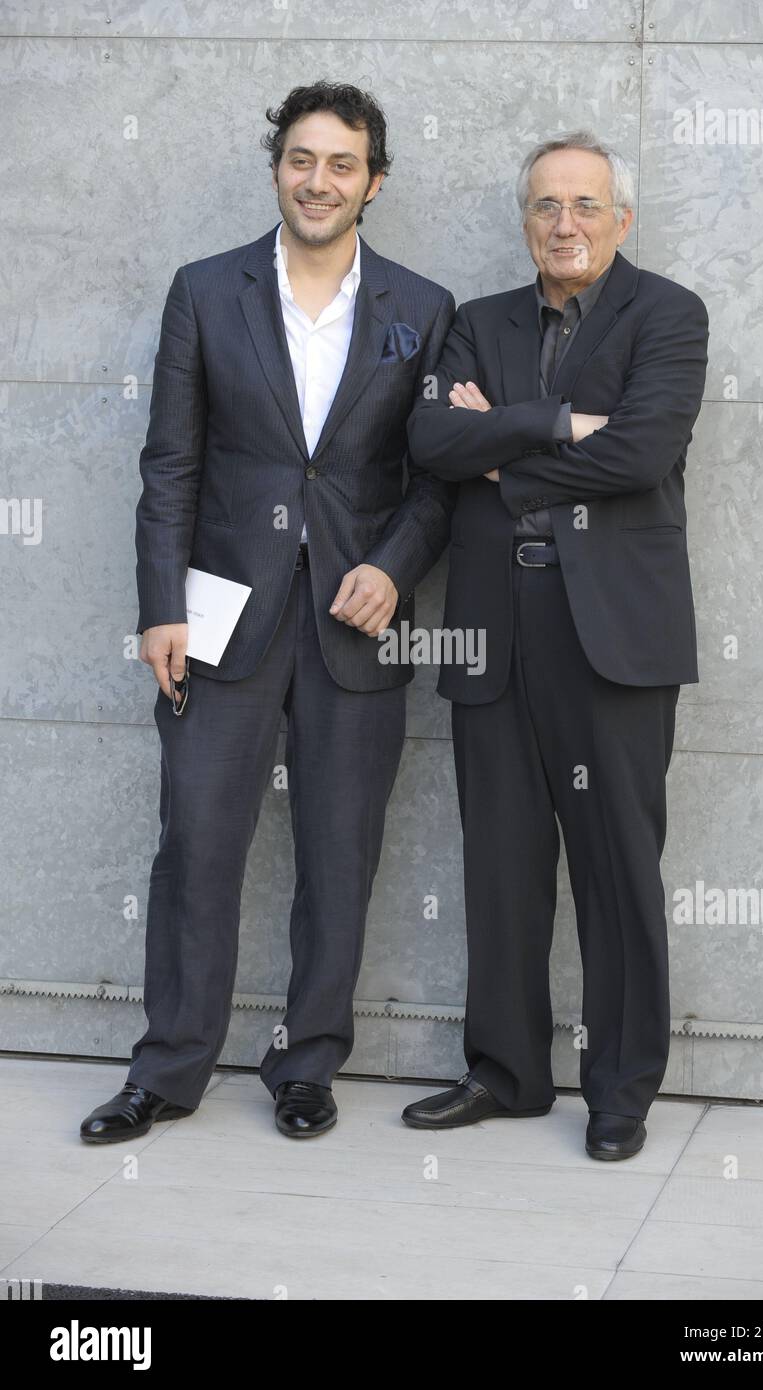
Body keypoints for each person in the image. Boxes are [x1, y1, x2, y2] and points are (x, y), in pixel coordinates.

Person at [80, 81, 455, 1144]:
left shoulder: (423, 310)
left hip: (354, 618)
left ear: (373, 181)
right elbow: (171, 463)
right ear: (276, 166)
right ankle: (168, 1068)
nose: (318, 179)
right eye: (301, 158)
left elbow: (435, 479)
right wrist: (160, 608)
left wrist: (393, 564)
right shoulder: (205, 290)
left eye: (342, 163)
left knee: (340, 851)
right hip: (219, 617)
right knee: (196, 840)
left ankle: (306, 1062)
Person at [402, 131, 709, 1160]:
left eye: (584, 204)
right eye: (545, 205)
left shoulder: (667, 313)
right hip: (494, 625)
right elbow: (434, 439)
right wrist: (559, 422)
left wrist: (512, 454)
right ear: (524, 219)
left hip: (612, 634)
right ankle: (505, 1071)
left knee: (617, 869)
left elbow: (644, 449)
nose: (564, 224)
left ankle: (619, 1089)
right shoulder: (476, 322)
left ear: (619, 218)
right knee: (500, 862)